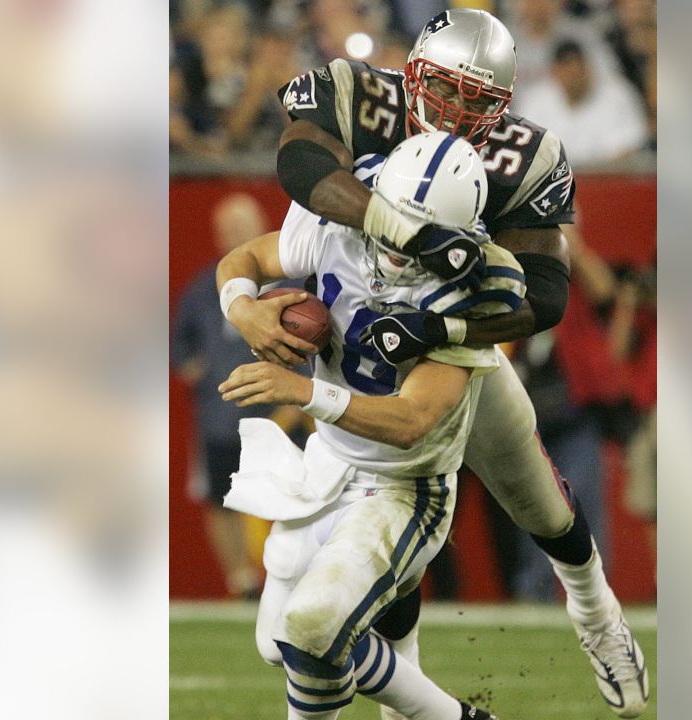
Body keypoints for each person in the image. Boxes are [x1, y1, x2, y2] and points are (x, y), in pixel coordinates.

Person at [267, 8, 649, 717]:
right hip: (361, 327)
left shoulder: (524, 155)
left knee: (537, 498)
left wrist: (434, 325)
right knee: (373, 545)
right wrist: (392, 223)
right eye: (445, 88)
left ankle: (596, 613)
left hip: (451, 344)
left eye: (477, 101)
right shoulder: (360, 94)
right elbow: (298, 160)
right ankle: (406, 685)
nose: (454, 110)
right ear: (411, 73)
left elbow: (544, 293)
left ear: (502, 107)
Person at [216, 132, 518, 720]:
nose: (402, 249)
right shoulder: (338, 224)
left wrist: (304, 390)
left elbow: (413, 420)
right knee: (278, 642)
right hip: (328, 462)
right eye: (396, 225)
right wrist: (244, 309)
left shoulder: (465, 289)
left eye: (423, 236)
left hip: (403, 487)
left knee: (311, 627)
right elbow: (245, 259)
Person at [171, 194, 307, 598]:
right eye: (226, 228)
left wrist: (298, 396)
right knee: (221, 497)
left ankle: (292, 574)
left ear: (261, 225)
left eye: (241, 226)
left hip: (283, 409)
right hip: (222, 413)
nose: (233, 235)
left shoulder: (295, 282)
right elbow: (180, 340)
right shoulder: (202, 286)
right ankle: (242, 580)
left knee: (294, 496)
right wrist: (191, 365)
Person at [514, 39, 649, 168]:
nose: (572, 76)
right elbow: (522, 150)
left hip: (606, 183)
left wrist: (584, 174)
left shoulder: (618, 95)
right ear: (555, 72)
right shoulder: (535, 99)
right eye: (565, 69)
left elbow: (630, 150)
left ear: (587, 68)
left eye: (576, 70)